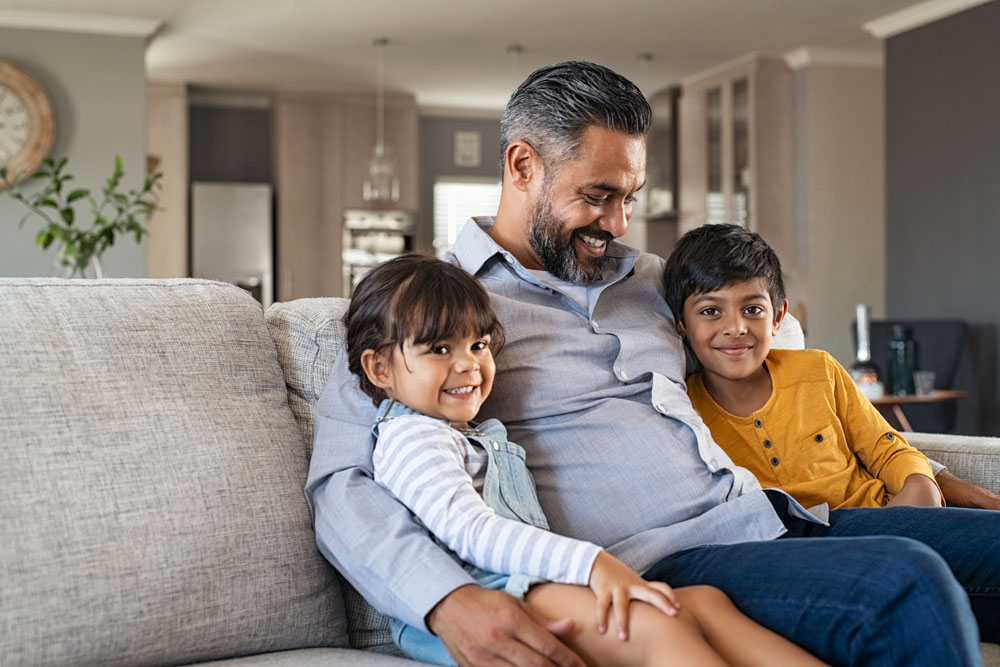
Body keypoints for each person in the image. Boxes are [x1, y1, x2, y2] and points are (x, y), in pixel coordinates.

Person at [308, 60, 1000, 667]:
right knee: (904, 581)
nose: (618, 223)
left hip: (776, 516)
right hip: (657, 562)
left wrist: (921, 466)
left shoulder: (657, 281)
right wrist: (444, 599)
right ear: (522, 166)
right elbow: (341, 485)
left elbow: (771, 369)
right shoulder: (424, 313)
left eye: (630, 197)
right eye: (598, 195)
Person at [342, 252, 825, 667]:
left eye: (479, 345)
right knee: (659, 625)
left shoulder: (467, 432)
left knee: (706, 602)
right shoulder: (411, 439)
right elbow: (472, 532)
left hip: (529, 581)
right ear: (379, 367)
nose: (468, 364)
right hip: (487, 594)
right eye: (440, 349)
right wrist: (593, 564)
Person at [663, 223, 949, 511]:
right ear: (681, 323)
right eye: (711, 311)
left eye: (752, 310)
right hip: (808, 541)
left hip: (887, 511)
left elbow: (885, 449)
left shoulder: (818, 370)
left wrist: (919, 482)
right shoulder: (684, 412)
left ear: (777, 317)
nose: (736, 328)